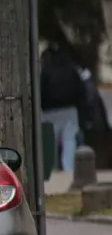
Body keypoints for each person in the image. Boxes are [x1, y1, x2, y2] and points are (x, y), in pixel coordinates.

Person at [40, 41, 88, 172]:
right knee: (69, 139)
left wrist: (42, 106)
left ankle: (52, 169)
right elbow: (81, 91)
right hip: (70, 110)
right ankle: (69, 168)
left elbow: (41, 90)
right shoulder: (71, 69)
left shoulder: (46, 70)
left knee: (52, 141)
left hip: (50, 111)